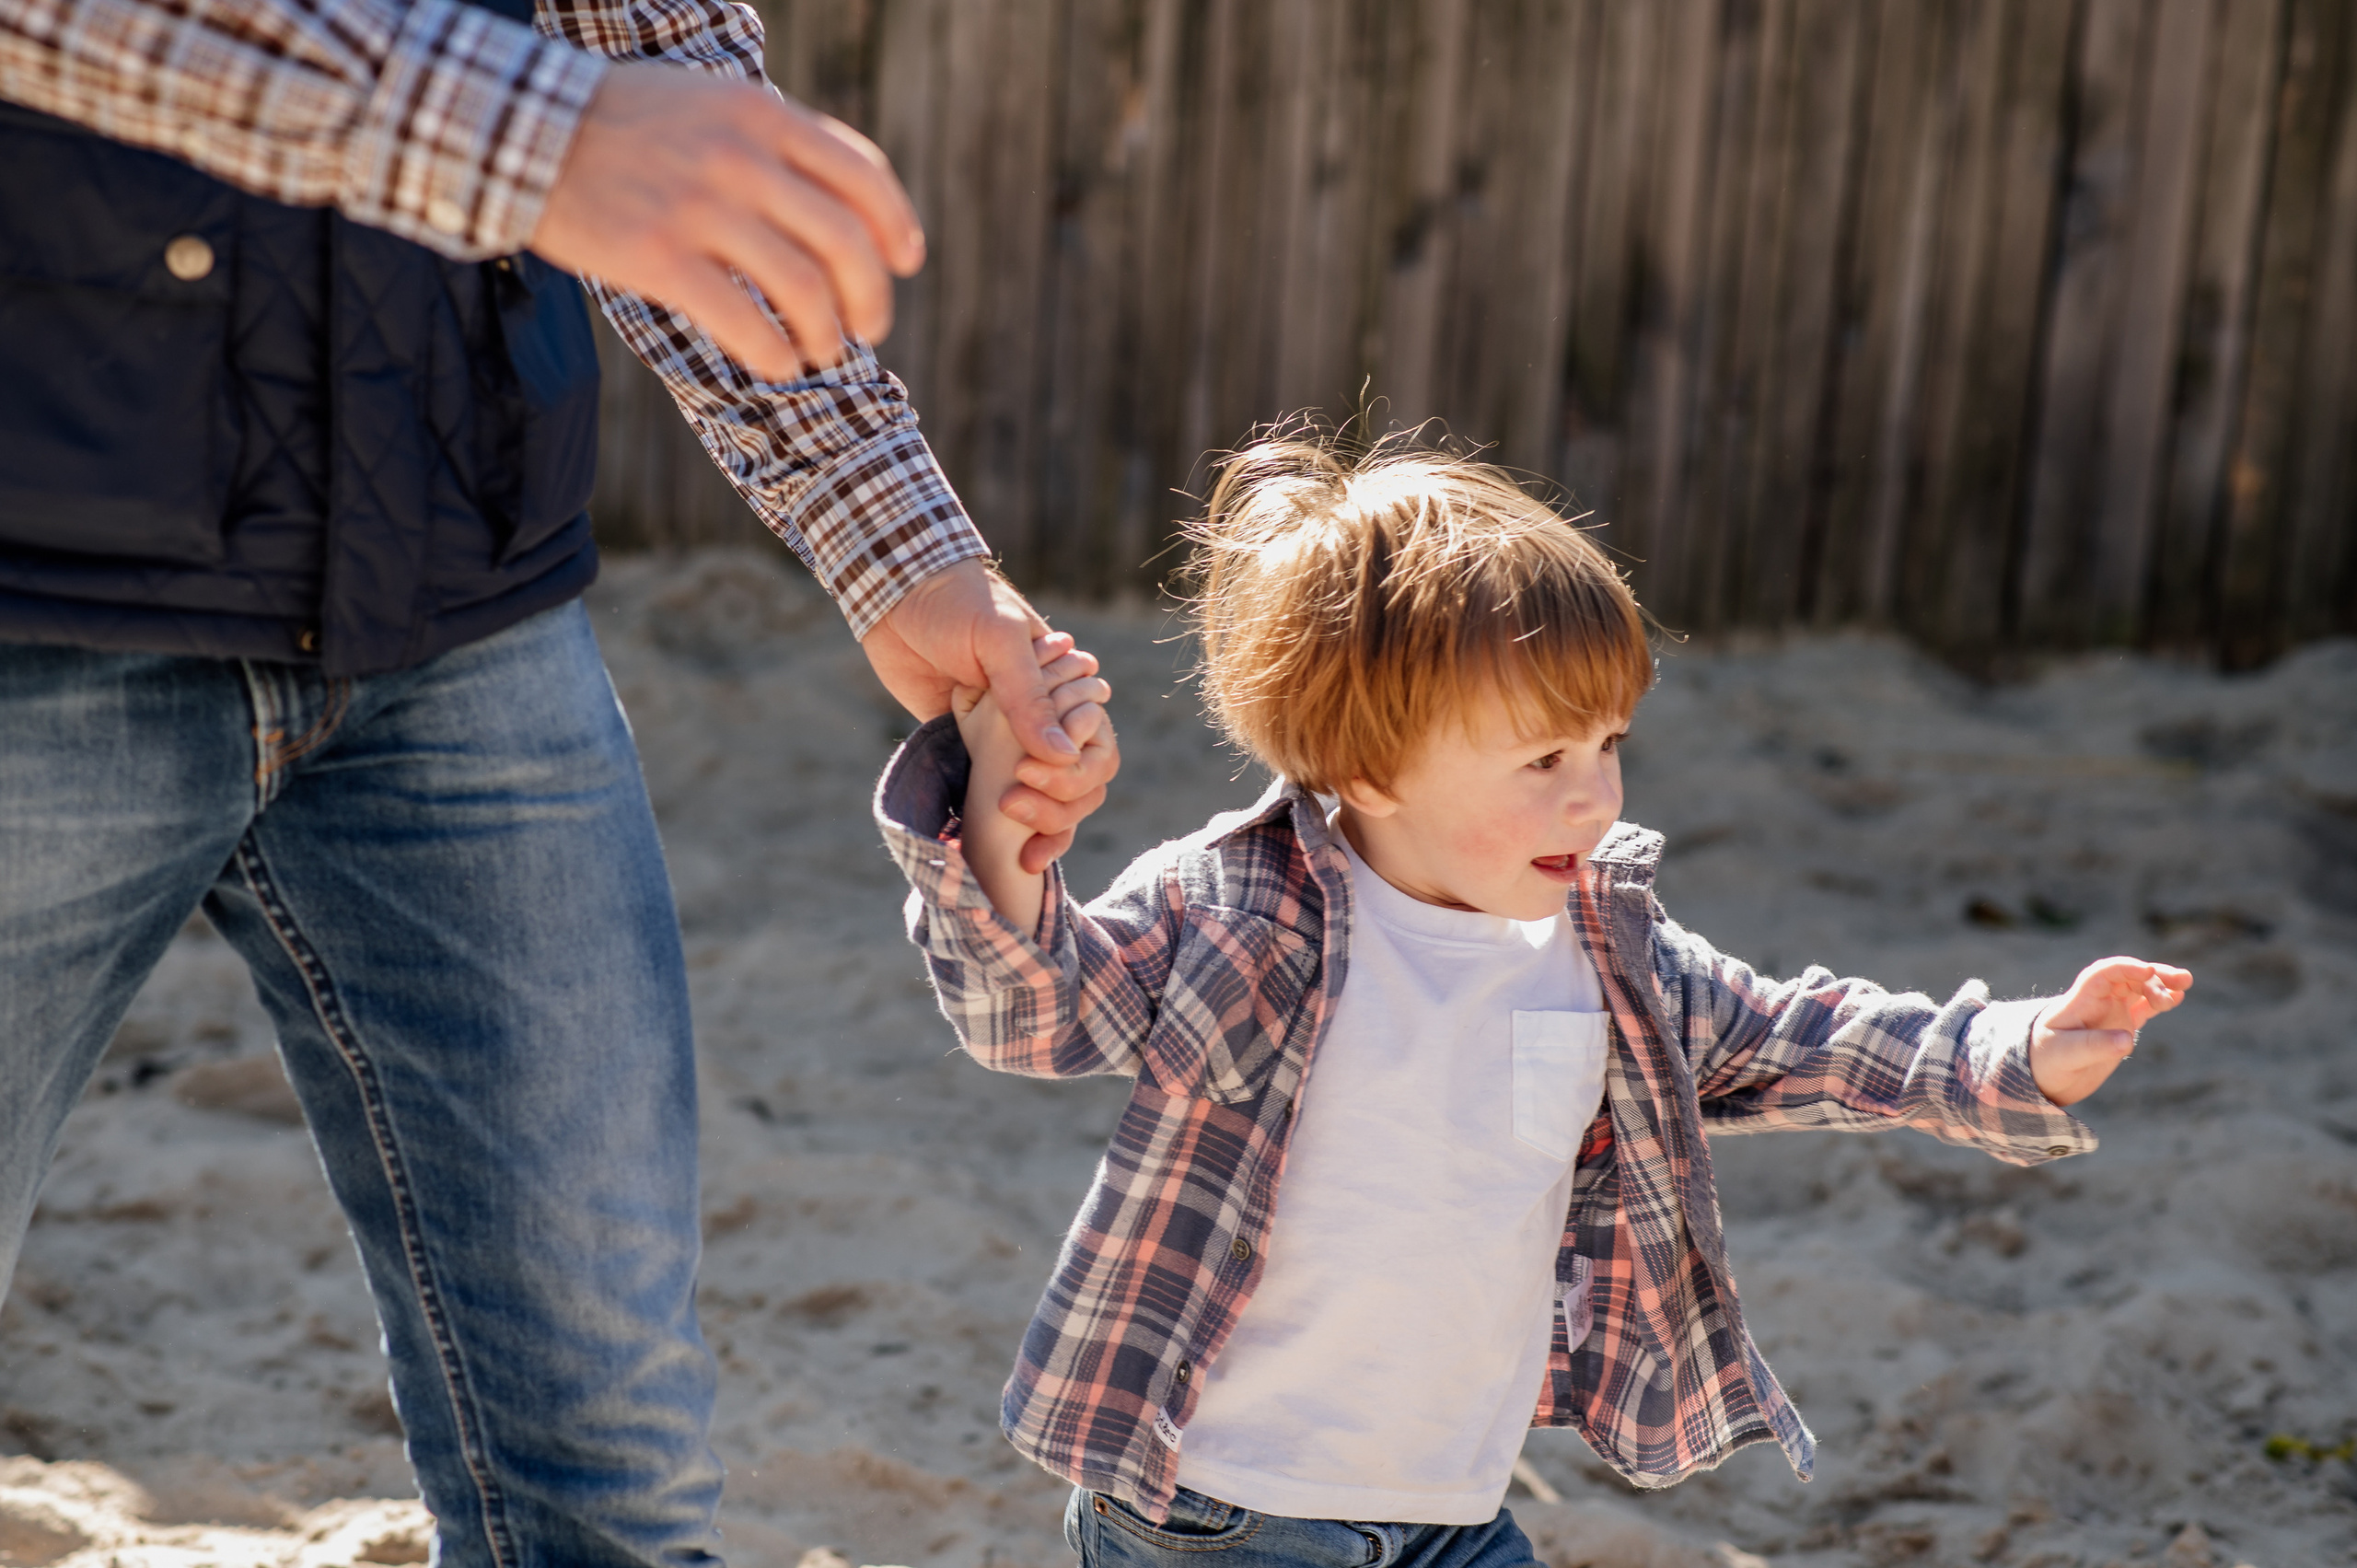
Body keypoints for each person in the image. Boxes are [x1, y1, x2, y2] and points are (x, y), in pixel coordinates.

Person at [0, 0, 1114, 1562]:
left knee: (610, 1467)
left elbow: (649, 51)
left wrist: (895, 543)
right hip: (37, 610)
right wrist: (537, 138)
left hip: (461, 603)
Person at [873, 434, 2192, 1568]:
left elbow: (1795, 1036)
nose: (1596, 796)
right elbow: (1040, 1017)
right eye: (1545, 758)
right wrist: (1001, 849)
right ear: (1368, 768)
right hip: (1218, 1514)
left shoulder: (1601, 949)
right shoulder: (1239, 916)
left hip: (1450, 1511)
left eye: (1610, 744)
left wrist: (2017, 1048)